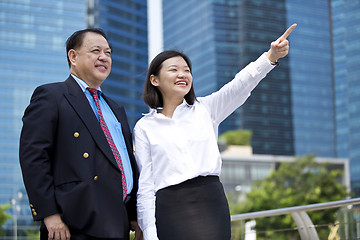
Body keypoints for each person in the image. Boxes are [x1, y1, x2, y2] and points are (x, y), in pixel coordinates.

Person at [133, 24, 297, 240]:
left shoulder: (205, 109)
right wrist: (150, 234)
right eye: (174, 70)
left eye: (187, 70)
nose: (183, 74)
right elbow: (145, 186)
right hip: (169, 209)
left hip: (210, 203)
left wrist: (270, 56)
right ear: (155, 80)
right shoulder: (144, 127)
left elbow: (240, 85)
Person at [19, 28, 142, 240]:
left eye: (108, 52)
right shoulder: (52, 96)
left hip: (117, 221)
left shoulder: (116, 109)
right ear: (73, 56)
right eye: (96, 51)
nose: (104, 57)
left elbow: (125, 162)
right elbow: (33, 157)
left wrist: (133, 214)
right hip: (72, 223)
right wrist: (49, 213)